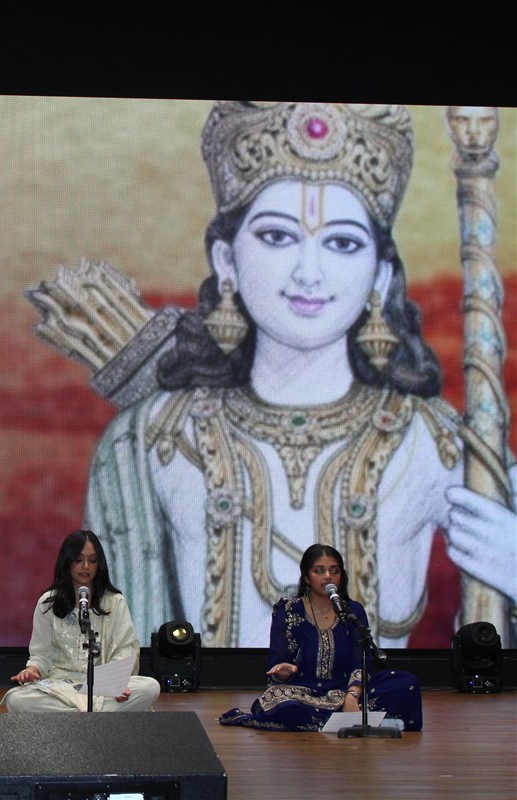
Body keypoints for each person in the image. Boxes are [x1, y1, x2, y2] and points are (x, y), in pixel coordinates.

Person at [84, 102, 516, 648]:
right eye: (277, 236)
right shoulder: (152, 440)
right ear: (226, 259)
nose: (309, 273)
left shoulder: (435, 442)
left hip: (375, 705)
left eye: (343, 243)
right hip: (204, 708)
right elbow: (107, 651)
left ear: (381, 276)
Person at [220, 544, 422, 732]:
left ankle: (341, 717)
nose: (328, 576)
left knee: (406, 683)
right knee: (280, 702)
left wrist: (352, 696)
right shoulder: (288, 610)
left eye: (334, 571)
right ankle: (354, 719)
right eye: (319, 571)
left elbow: (361, 661)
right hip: (303, 693)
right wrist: (283, 672)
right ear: (307, 577)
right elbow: (276, 663)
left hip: (345, 691)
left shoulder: (352, 611)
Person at [2, 530, 159, 713]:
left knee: (150, 687)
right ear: (67, 562)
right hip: (60, 685)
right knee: (16, 699)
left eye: (92, 560)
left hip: (102, 686)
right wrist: (32, 670)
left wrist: (115, 683)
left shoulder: (115, 602)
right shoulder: (48, 603)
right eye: (78, 560)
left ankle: (73, 719)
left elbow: (126, 649)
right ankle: (93, 717)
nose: (85, 566)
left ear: (99, 564)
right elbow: (40, 654)